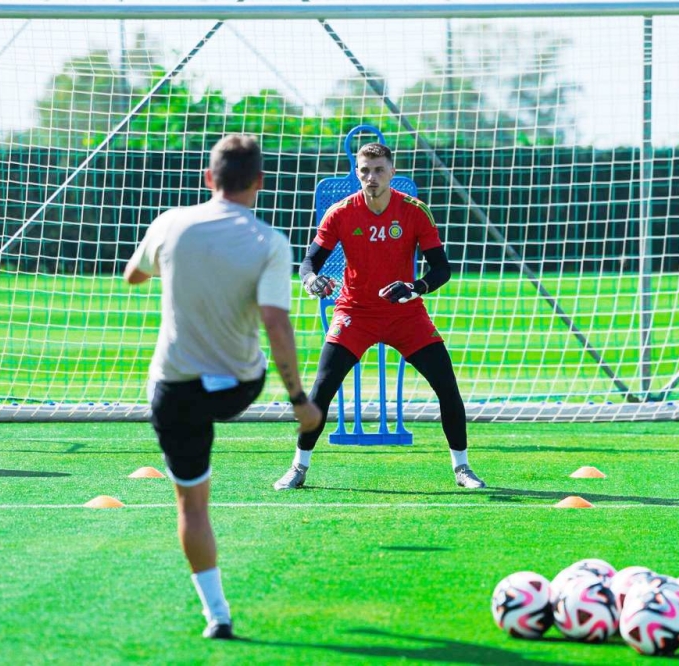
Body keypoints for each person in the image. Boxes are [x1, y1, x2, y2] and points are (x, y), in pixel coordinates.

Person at [123, 134, 322, 640]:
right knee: (239, 369)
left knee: (192, 505)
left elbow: (132, 276)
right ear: (259, 182)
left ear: (208, 179)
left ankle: (218, 615)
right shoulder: (270, 243)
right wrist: (300, 402)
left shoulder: (170, 223)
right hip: (238, 386)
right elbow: (276, 324)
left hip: (177, 389)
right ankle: (216, 614)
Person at [273, 142, 485, 491]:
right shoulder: (340, 213)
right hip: (355, 313)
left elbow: (441, 269)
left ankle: (462, 468)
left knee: (447, 387)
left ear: (392, 172)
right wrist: (312, 280)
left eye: (379, 170)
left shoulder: (415, 211)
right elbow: (309, 263)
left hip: (406, 315)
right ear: (357, 172)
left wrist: (415, 287)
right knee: (321, 389)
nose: (371, 177)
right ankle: (298, 467)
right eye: (364, 170)